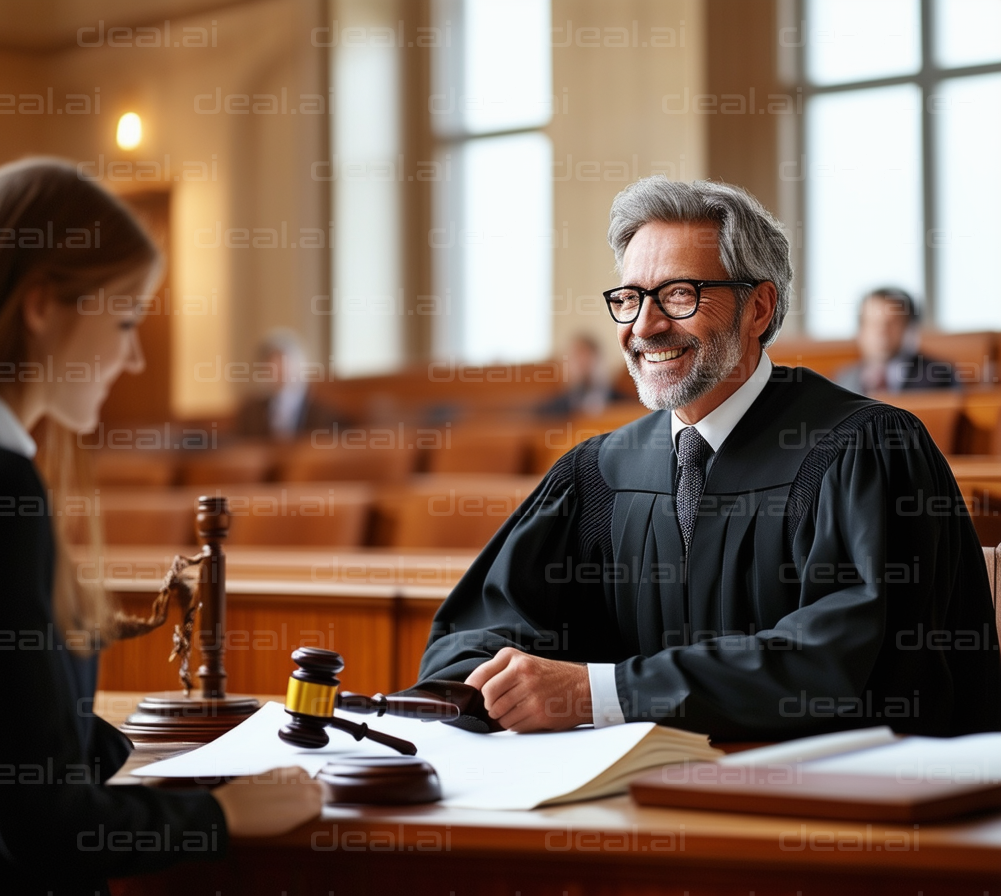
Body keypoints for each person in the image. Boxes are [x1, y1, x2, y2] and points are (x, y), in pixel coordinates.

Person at [418, 177, 1001, 741]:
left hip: (838, 817)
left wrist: (599, 693)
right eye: (629, 298)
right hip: (636, 809)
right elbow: (470, 638)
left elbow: (845, 661)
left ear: (758, 309)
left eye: (678, 294)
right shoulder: (599, 474)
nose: (645, 326)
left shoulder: (866, 450)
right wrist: (491, 685)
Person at [0, 159, 319, 896]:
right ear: (42, 305)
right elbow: (45, 824)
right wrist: (221, 814)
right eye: (125, 319)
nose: (132, 356)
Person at [835, 288, 958, 394]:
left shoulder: (939, 375)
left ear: (909, 327)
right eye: (872, 323)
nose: (881, 332)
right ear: (860, 330)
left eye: (891, 323)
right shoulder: (843, 380)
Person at [236, 328, 341, 439]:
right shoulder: (250, 412)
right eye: (269, 361)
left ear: (299, 363)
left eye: (281, 360)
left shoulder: (323, 413)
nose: (275, 368)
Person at [536, 333, 628, 418]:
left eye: (586, 357)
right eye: (576, 358)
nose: (581, 364)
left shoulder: (625, 405)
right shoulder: (550, 411)